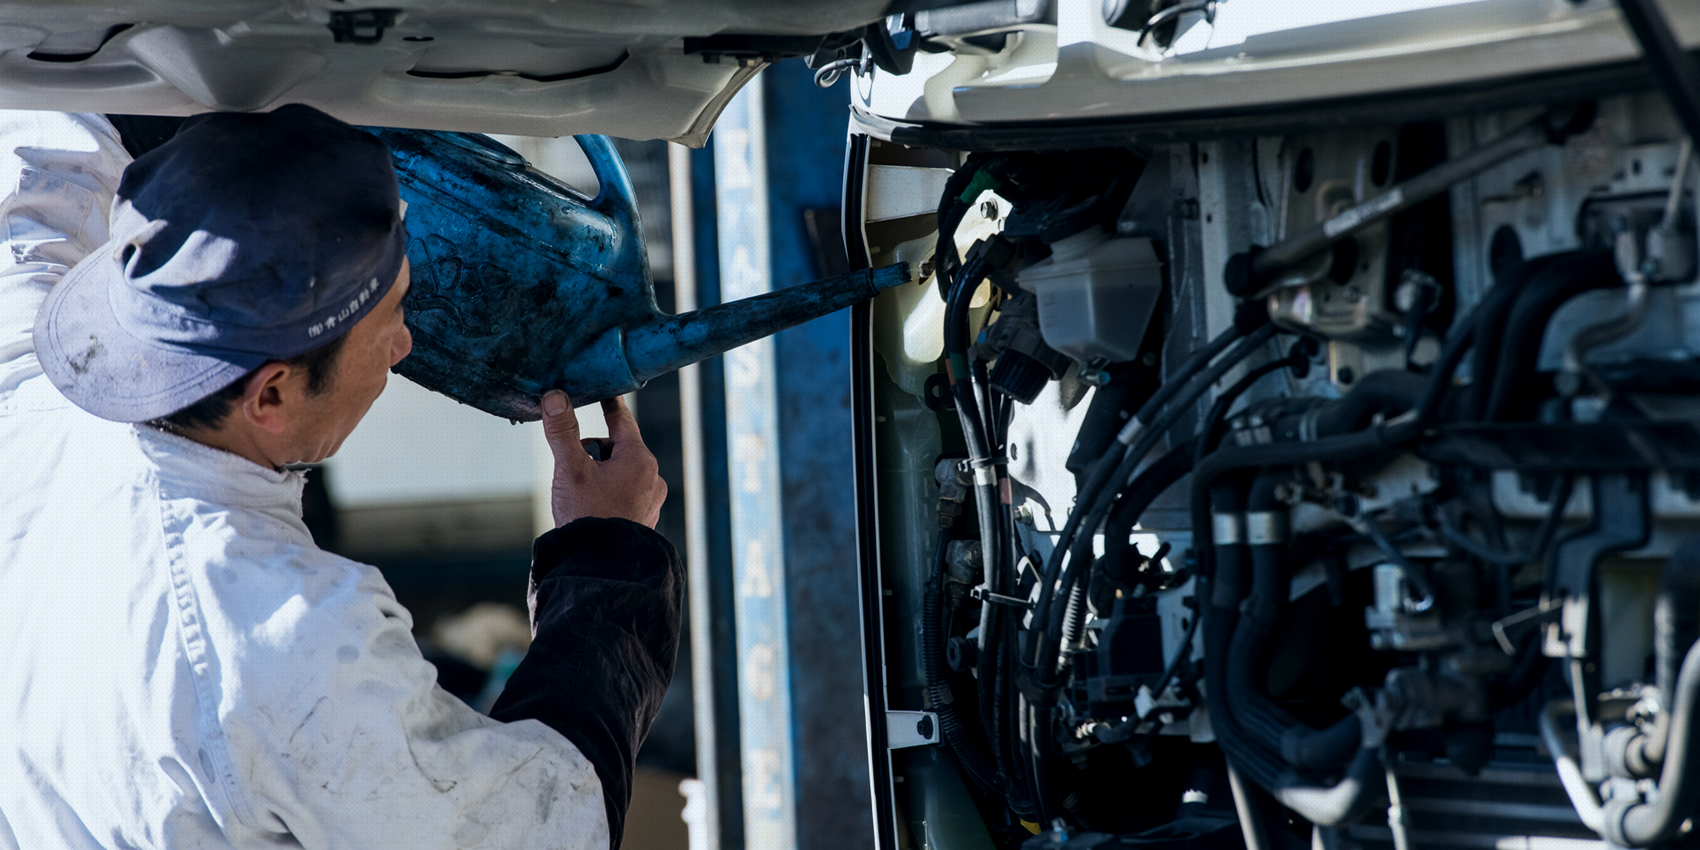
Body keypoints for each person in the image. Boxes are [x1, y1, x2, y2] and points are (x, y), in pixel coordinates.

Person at [0, 106, 677, 849]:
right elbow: (548, 824)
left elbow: (42, 147)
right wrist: (606, 554)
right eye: (387, 321)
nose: (404, 344)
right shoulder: (287, 642)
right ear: (271, 395)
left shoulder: (25, 404)